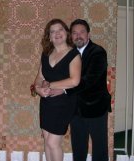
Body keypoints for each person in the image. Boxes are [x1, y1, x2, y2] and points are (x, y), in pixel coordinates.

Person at [52, 19, 111, 161]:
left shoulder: (98, 52)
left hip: (96, 108)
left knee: (100, 149)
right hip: (75, 109)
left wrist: (64, 91)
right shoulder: (69, 54)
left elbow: (88, 81)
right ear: (70, 36)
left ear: (88, 34)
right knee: (78, 148)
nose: (78, 36)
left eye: (82, 32)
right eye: (74, 33)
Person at [33, 18, 82, 161]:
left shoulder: (74, 54)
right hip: (47, 103)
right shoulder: (46, 54)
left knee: (53, 143)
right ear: (49, 36)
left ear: (66, 33)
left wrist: (49, 85)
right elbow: (40, 77)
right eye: (52, 31)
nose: (57, 33)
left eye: (60, 29)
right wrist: (38, 89)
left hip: (64, 104)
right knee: (47, 142)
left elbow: (74, 81)